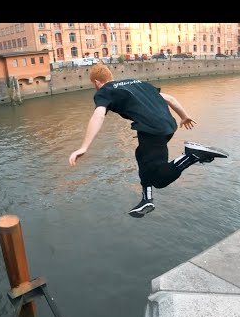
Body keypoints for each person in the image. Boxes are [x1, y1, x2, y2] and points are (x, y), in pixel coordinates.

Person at [68, 64, 228, 218]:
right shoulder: (137, 83)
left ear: (96, 82)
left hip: (153, 130)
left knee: (159, 179)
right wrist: (184, 116)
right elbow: (170, 99)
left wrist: (84, 147)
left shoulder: (104, 91)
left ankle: (192, 155)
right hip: (166, 125)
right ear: (110, 76)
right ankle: (146, 199)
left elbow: (99, 115)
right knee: (142, 155)